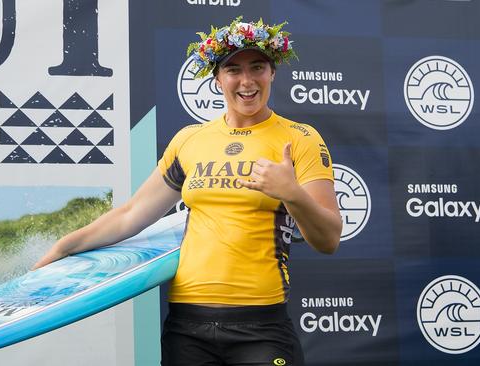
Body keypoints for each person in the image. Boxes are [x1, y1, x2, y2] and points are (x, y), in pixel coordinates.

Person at [33, 17, 341, 366]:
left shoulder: (300, 138)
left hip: (261, 327)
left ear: (272, 73)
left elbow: (328, 239)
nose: (246, 81)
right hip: (186, 328)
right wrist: (64, 246)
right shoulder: (189, 139)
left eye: (257, 67)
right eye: (232, 70)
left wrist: (292, 193)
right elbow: (133, 215)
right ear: (217, 79)